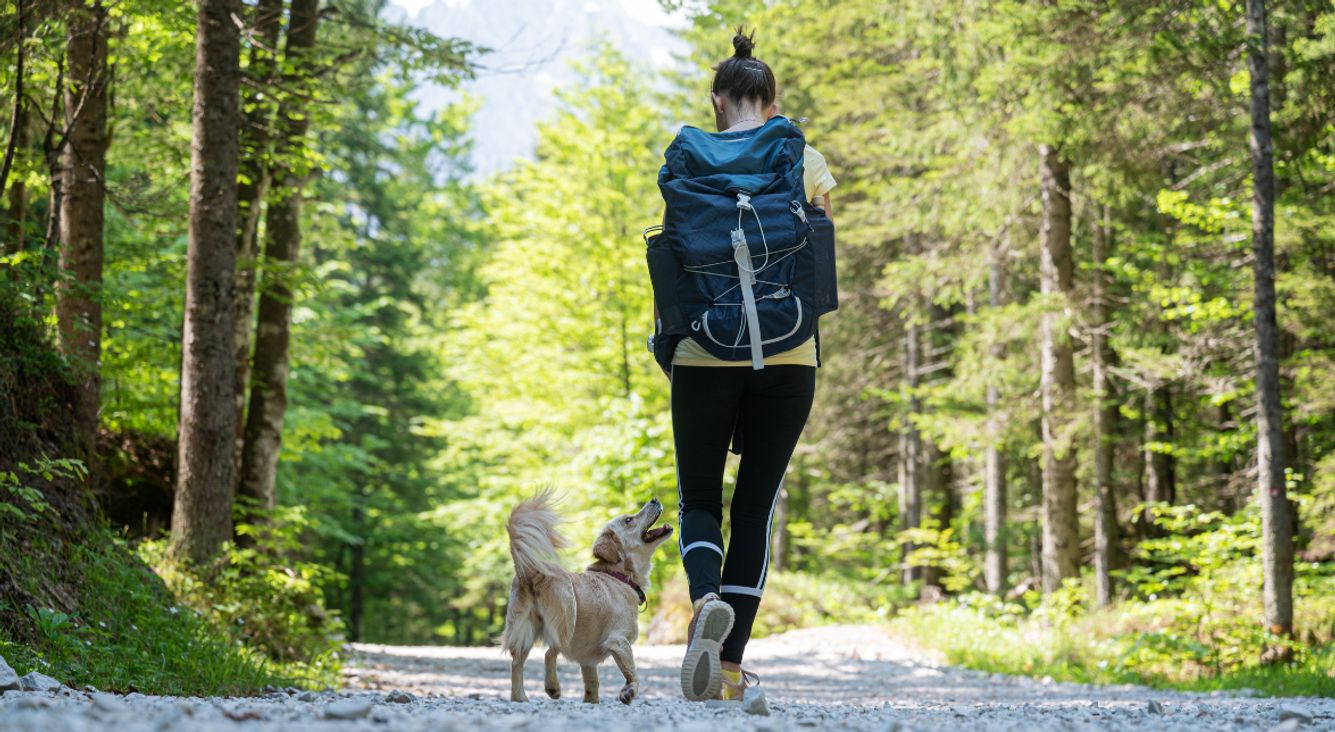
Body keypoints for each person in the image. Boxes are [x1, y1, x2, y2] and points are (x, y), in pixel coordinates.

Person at [665, 27, 836, 703]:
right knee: (754, 507)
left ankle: (704, 597)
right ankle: (729, 668)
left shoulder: (686, 156)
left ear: (716, 99)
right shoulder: (804, 156)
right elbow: (820, 248)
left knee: (699, 499)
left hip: (702, 347)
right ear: (771, 100)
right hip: (788, 349)